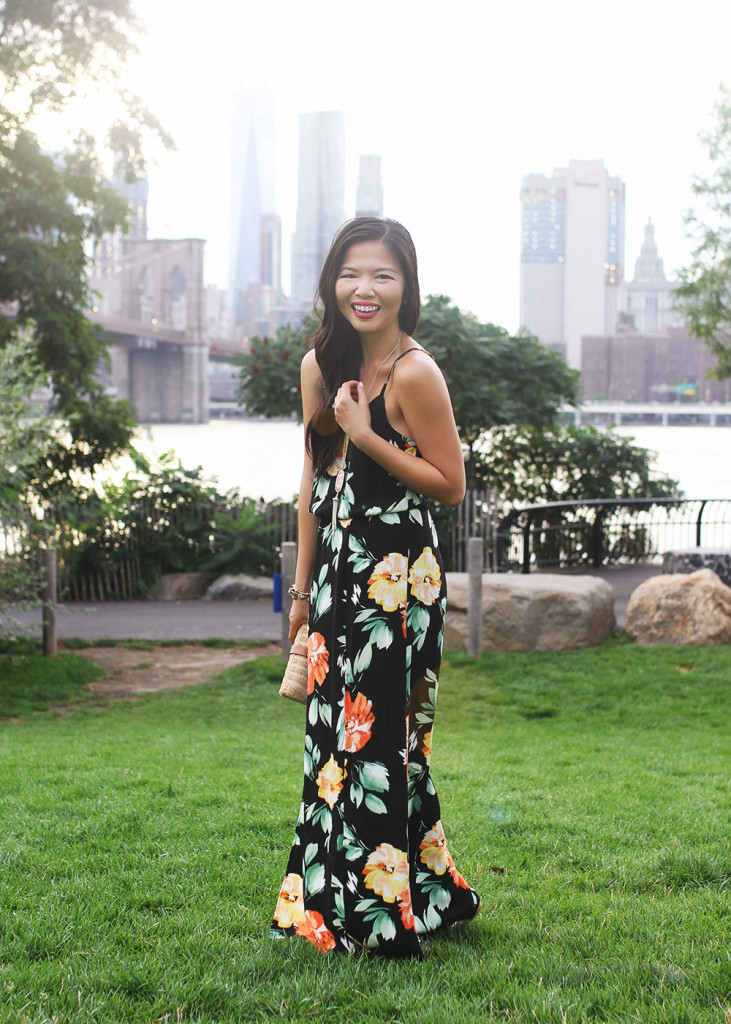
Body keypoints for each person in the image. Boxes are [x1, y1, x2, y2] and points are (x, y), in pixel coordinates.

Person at [271, 217, 480, 957]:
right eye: (352, 273)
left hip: (399, 585)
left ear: (405, 287)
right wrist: (299, 598)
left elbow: (449, 485)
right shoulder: (316, 367)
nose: (365, 289)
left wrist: (366, 435)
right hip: (334, 577)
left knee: (386, 743)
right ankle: (352, 902)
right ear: (333, 281)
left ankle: (386, 917)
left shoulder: (414, 371)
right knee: (333, 743)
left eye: (383, 276)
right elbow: (310, 482)